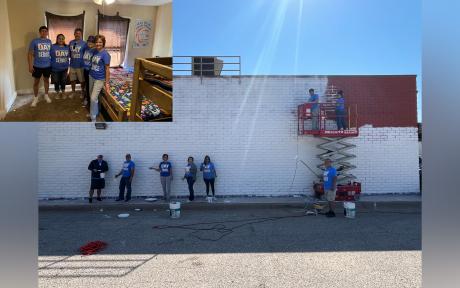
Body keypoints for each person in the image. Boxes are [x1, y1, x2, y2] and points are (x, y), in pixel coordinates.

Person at [28, 26, 52, 107]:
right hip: (37, 66)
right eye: (42, 31)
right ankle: (35, 98)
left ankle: (46, 95)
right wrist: (30, 66)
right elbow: (30, 54)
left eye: (45, 31)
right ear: (40, 32)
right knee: (36, 82)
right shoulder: (34, 41)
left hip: (47, 66)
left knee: (46, 81)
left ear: (47, 32)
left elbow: (51, 53)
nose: (44, 32)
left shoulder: (49, 41)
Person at [88, 35, 111, 122]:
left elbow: (107, 70)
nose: (98, 44)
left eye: (100, 42)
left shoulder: (105, 54)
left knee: (93, 98)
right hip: (91, 76)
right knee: (92, 97)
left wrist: (107, 83)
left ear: (103, 43)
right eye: (97, 42)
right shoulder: (94, 51)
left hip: (99, 79)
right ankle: (94, 112)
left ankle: (93, 117)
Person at [69, 28, 87, 99]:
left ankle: (82, 92)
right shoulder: (71, 42)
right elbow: (69, 53)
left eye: (79, 33)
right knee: (72, 80)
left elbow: (87, 54)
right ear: (74, 34)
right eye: (76, 33)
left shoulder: (84, 43)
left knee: (82, 80)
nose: (77, 34)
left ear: (81, 34)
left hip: (81, 65)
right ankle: (73, 92)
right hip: (72, 65)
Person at [50, 34, 70, 100]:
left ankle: (63, 92)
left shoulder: (67, 47)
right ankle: (57, 92)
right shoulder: (52, 46)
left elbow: (70, 56)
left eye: (62, 38)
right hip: (55, 68)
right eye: (59, 38)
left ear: (64, 39)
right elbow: (47, 55)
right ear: (57, 39)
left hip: (64, 68)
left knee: (64, 81)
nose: (61, 40)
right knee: (56, 81)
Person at [82, 35, 96, 108]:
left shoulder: (95, 50)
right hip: (85, 70)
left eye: (92, 42)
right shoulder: (86, 49)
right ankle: (87, 97)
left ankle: (89, 100)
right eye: (89, 41)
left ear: (95, 43)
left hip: (91, 72)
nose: (90, 43)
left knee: (90, 86)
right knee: (87, 85)